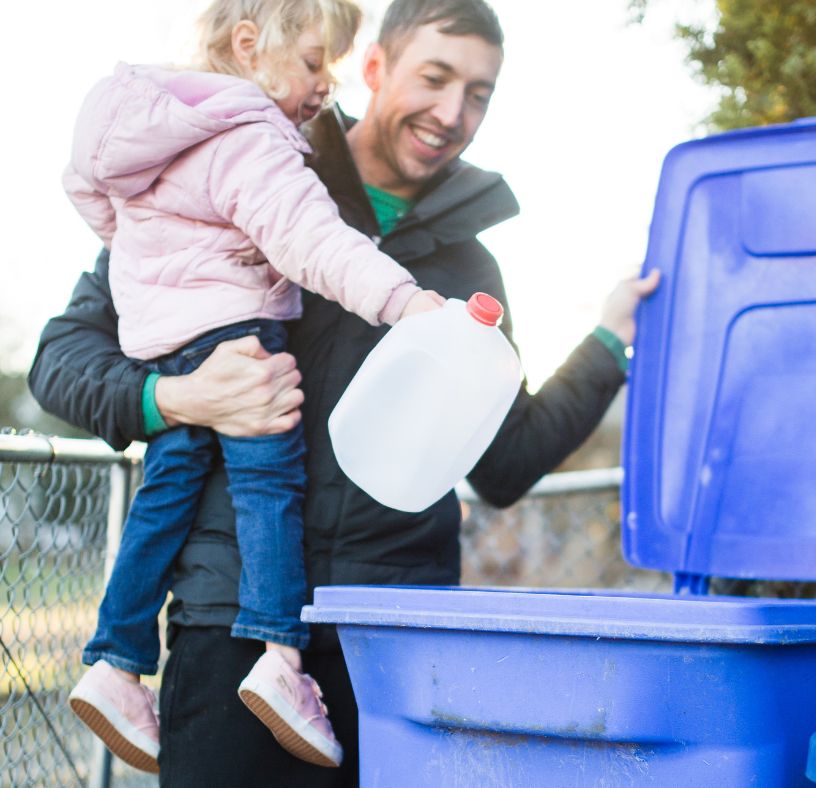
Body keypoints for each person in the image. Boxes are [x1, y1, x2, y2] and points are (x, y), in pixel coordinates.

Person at [29, 0, 661, 784]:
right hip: (226, 624)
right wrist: (181, 398)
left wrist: (607, 342)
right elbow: (59, 361)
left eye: (479, 93)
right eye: (434, 77)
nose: (451, 112)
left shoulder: (471, 274)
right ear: (371, 68)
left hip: (389, 639)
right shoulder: (237, 173)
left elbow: (505, 462)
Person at [59, 0, 447, 774]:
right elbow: (312, 241)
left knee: (163, 494)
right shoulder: (250, 139)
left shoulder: (145, 138)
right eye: (312, 62)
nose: (323, 86)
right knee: (269, 489)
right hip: (240, 333)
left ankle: (113, 661)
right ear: (248, 47)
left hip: (166, 336)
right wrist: (406, 303)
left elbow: (88, 197)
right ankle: (279, 657)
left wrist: (159, 288)